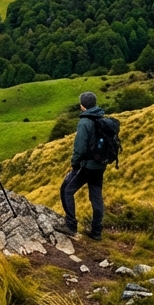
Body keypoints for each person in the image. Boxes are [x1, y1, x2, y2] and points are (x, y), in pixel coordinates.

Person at [55, 91, 106, 240]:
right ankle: (96, 232)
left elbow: (80, 148)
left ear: (82, 106)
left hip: (87, 166)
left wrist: (74, 163)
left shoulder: (84, 122)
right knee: (96, 196)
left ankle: (71, 226)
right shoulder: (101, 118)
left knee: (66, 190)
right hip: (100, 166)